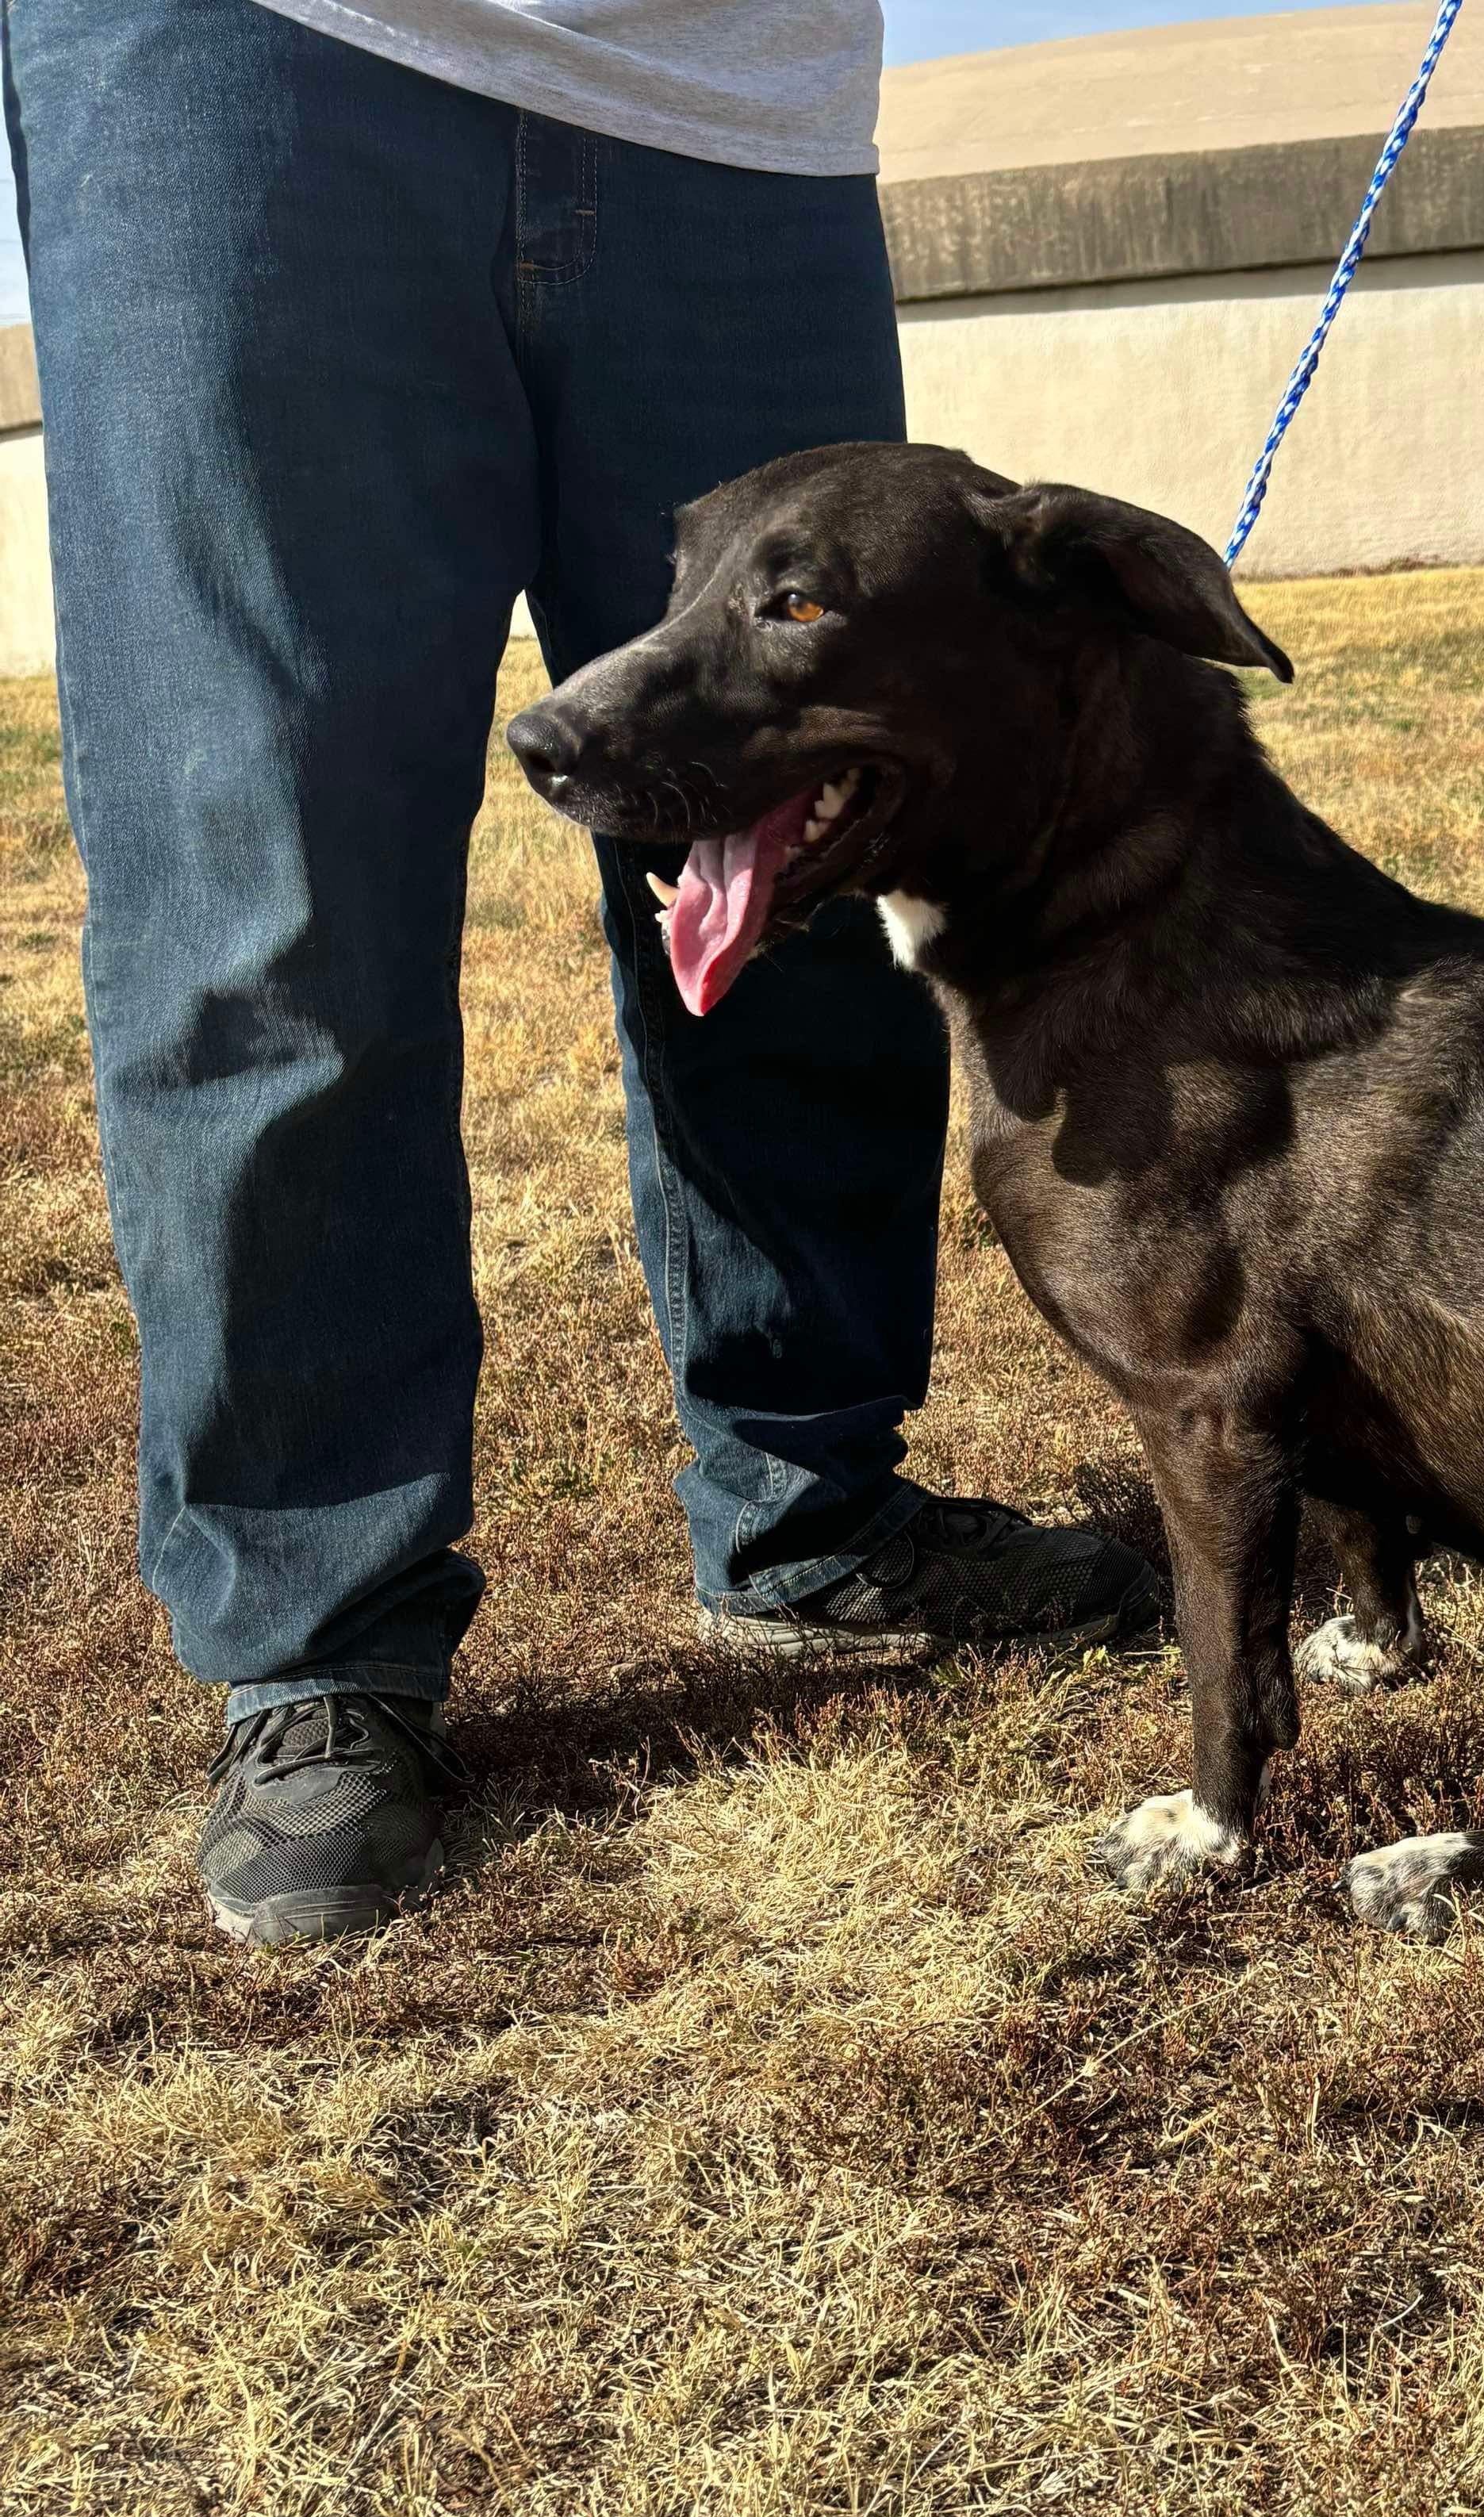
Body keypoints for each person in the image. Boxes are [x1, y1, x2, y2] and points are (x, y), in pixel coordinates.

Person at [5, 0, 1156, 1944]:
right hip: (247, 58)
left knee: (810, 817)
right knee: (265, 893)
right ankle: (316, 1637)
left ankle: (809, 1500)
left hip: (737, 101)